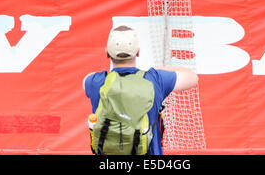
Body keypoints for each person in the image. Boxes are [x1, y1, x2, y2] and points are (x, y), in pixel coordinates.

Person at [83, 24, 199, 155]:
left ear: (107, 53)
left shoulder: (94, 82)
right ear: (138, 52)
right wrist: (159, 69)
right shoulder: (155, 79)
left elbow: (85, 79)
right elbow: (192, 77)